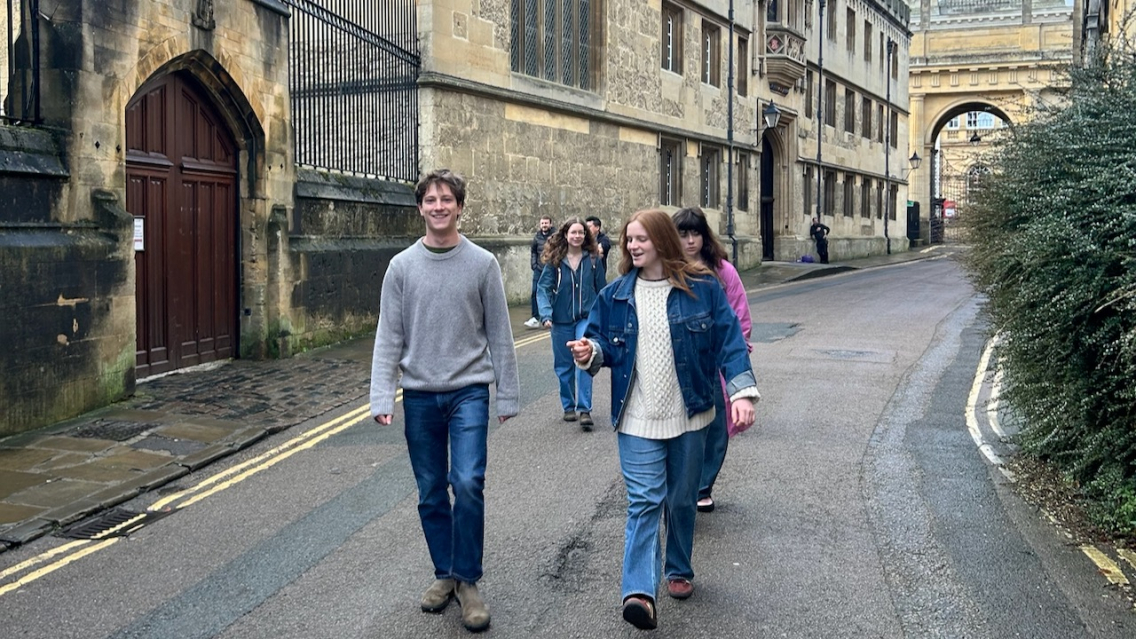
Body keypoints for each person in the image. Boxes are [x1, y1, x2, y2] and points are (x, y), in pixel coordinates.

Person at [568, 209, 759, 631]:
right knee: (644, 501)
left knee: (682, 499)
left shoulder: (703, 289)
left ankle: (678, 567)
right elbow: (603, 345)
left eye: (641, 239)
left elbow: (729, 341)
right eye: (628, 240)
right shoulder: (615, 295)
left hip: (691, 414)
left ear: (661, 241)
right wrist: (589, 354)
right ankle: (638, 591)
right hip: (636, 418)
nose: (632, 246)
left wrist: (742, 392)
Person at [370, 169, 519, 634]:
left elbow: (500, 332)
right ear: (420, 207)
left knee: (468, 482)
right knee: (431, 490)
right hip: (418, 395)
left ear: (459, 206)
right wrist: (381, 391)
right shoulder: (401, 267)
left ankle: (468, 581)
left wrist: (507, 393)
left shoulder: (481, 264)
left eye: (447, 199)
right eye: (430, 199)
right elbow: (389, 334)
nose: (438, 206)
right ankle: (446, 574)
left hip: (469, 390)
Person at [671, 207, 753, 513]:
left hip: (715, 363)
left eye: (696, 233)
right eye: (683, 234)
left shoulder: (723, 271)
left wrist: (736, 352)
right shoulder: (665, 269)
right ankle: (682, 483)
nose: (690, 241)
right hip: (680, 361)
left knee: (717, 427)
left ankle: (703, 485)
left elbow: (739, 316)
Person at [537, 217, 606, 430]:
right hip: (561, 320)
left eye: (581, 232)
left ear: (586, 236)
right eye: (573, 232)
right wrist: (546, 314)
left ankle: (585, 409)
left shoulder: (593, 260)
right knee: (564, 366)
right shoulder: (556, 261)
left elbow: (602, 289)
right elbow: (543, 288)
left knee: (584, 359)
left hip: (586, 319)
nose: (577, 236)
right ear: (565, 235)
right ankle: (568, 405)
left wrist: (603, 317)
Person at [525, 216, 554, 328]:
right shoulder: (537, 237)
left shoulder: (554, 236)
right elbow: (533, 251)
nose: (544, 225)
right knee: (535, 292)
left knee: (549, 293)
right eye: (542, 223)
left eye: (546, 223)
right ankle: (535, 317)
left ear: (550, 224)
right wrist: (534, 264)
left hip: (550, 268)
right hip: (538, 269)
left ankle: (547, 316)